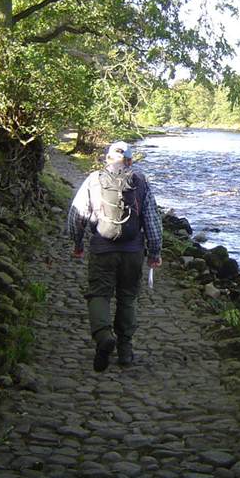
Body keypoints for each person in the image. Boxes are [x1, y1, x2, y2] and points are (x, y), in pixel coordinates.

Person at [67, 141, 162, 372]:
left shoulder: (93, 179)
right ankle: (125, 349)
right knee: (128, 297)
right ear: (130, 161)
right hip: (133, 251)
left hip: (102, 248)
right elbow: (152, 219)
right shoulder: (141, 181)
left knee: (99, 293)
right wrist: (155, 252)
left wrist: (78, 243)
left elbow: (77, 214)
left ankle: (103, 337)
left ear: (107, 158)